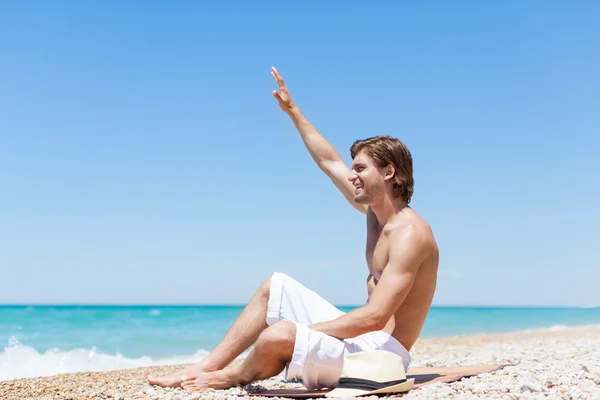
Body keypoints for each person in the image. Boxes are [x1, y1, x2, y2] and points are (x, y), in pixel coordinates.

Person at [147, 67, 439, 393]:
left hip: (383, 355)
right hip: (363, 340)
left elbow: (374, 317)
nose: (352, 175)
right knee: (276, 286)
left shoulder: (411, 235)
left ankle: (231, 377)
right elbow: (329, 161)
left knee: (279, 335)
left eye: (360, 168)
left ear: (388, 172)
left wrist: (304, 331)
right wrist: (293, 112)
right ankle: (206, 365)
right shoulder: (375, 213)